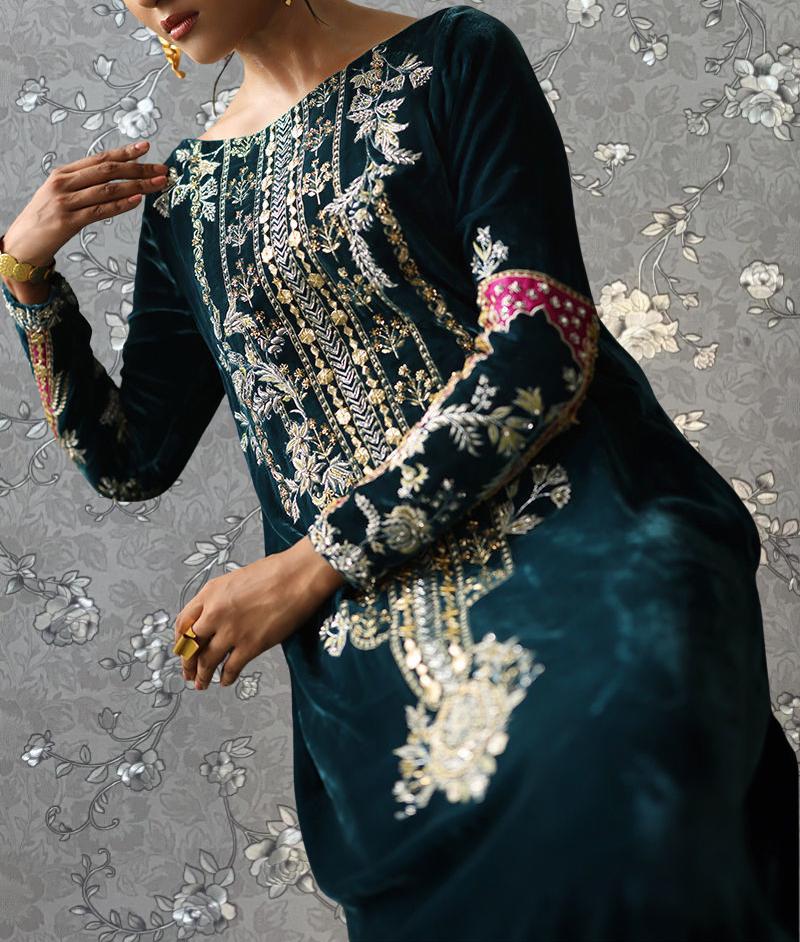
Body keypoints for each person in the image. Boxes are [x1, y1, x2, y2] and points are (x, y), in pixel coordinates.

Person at [2, 1, 797, 939]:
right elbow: (130, 460)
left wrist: (313, 564)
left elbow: (541, 342)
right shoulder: (189, 198)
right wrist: (26, 277)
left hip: (584, 540)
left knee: (618, 778)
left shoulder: (455, 59)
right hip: (380, 661)